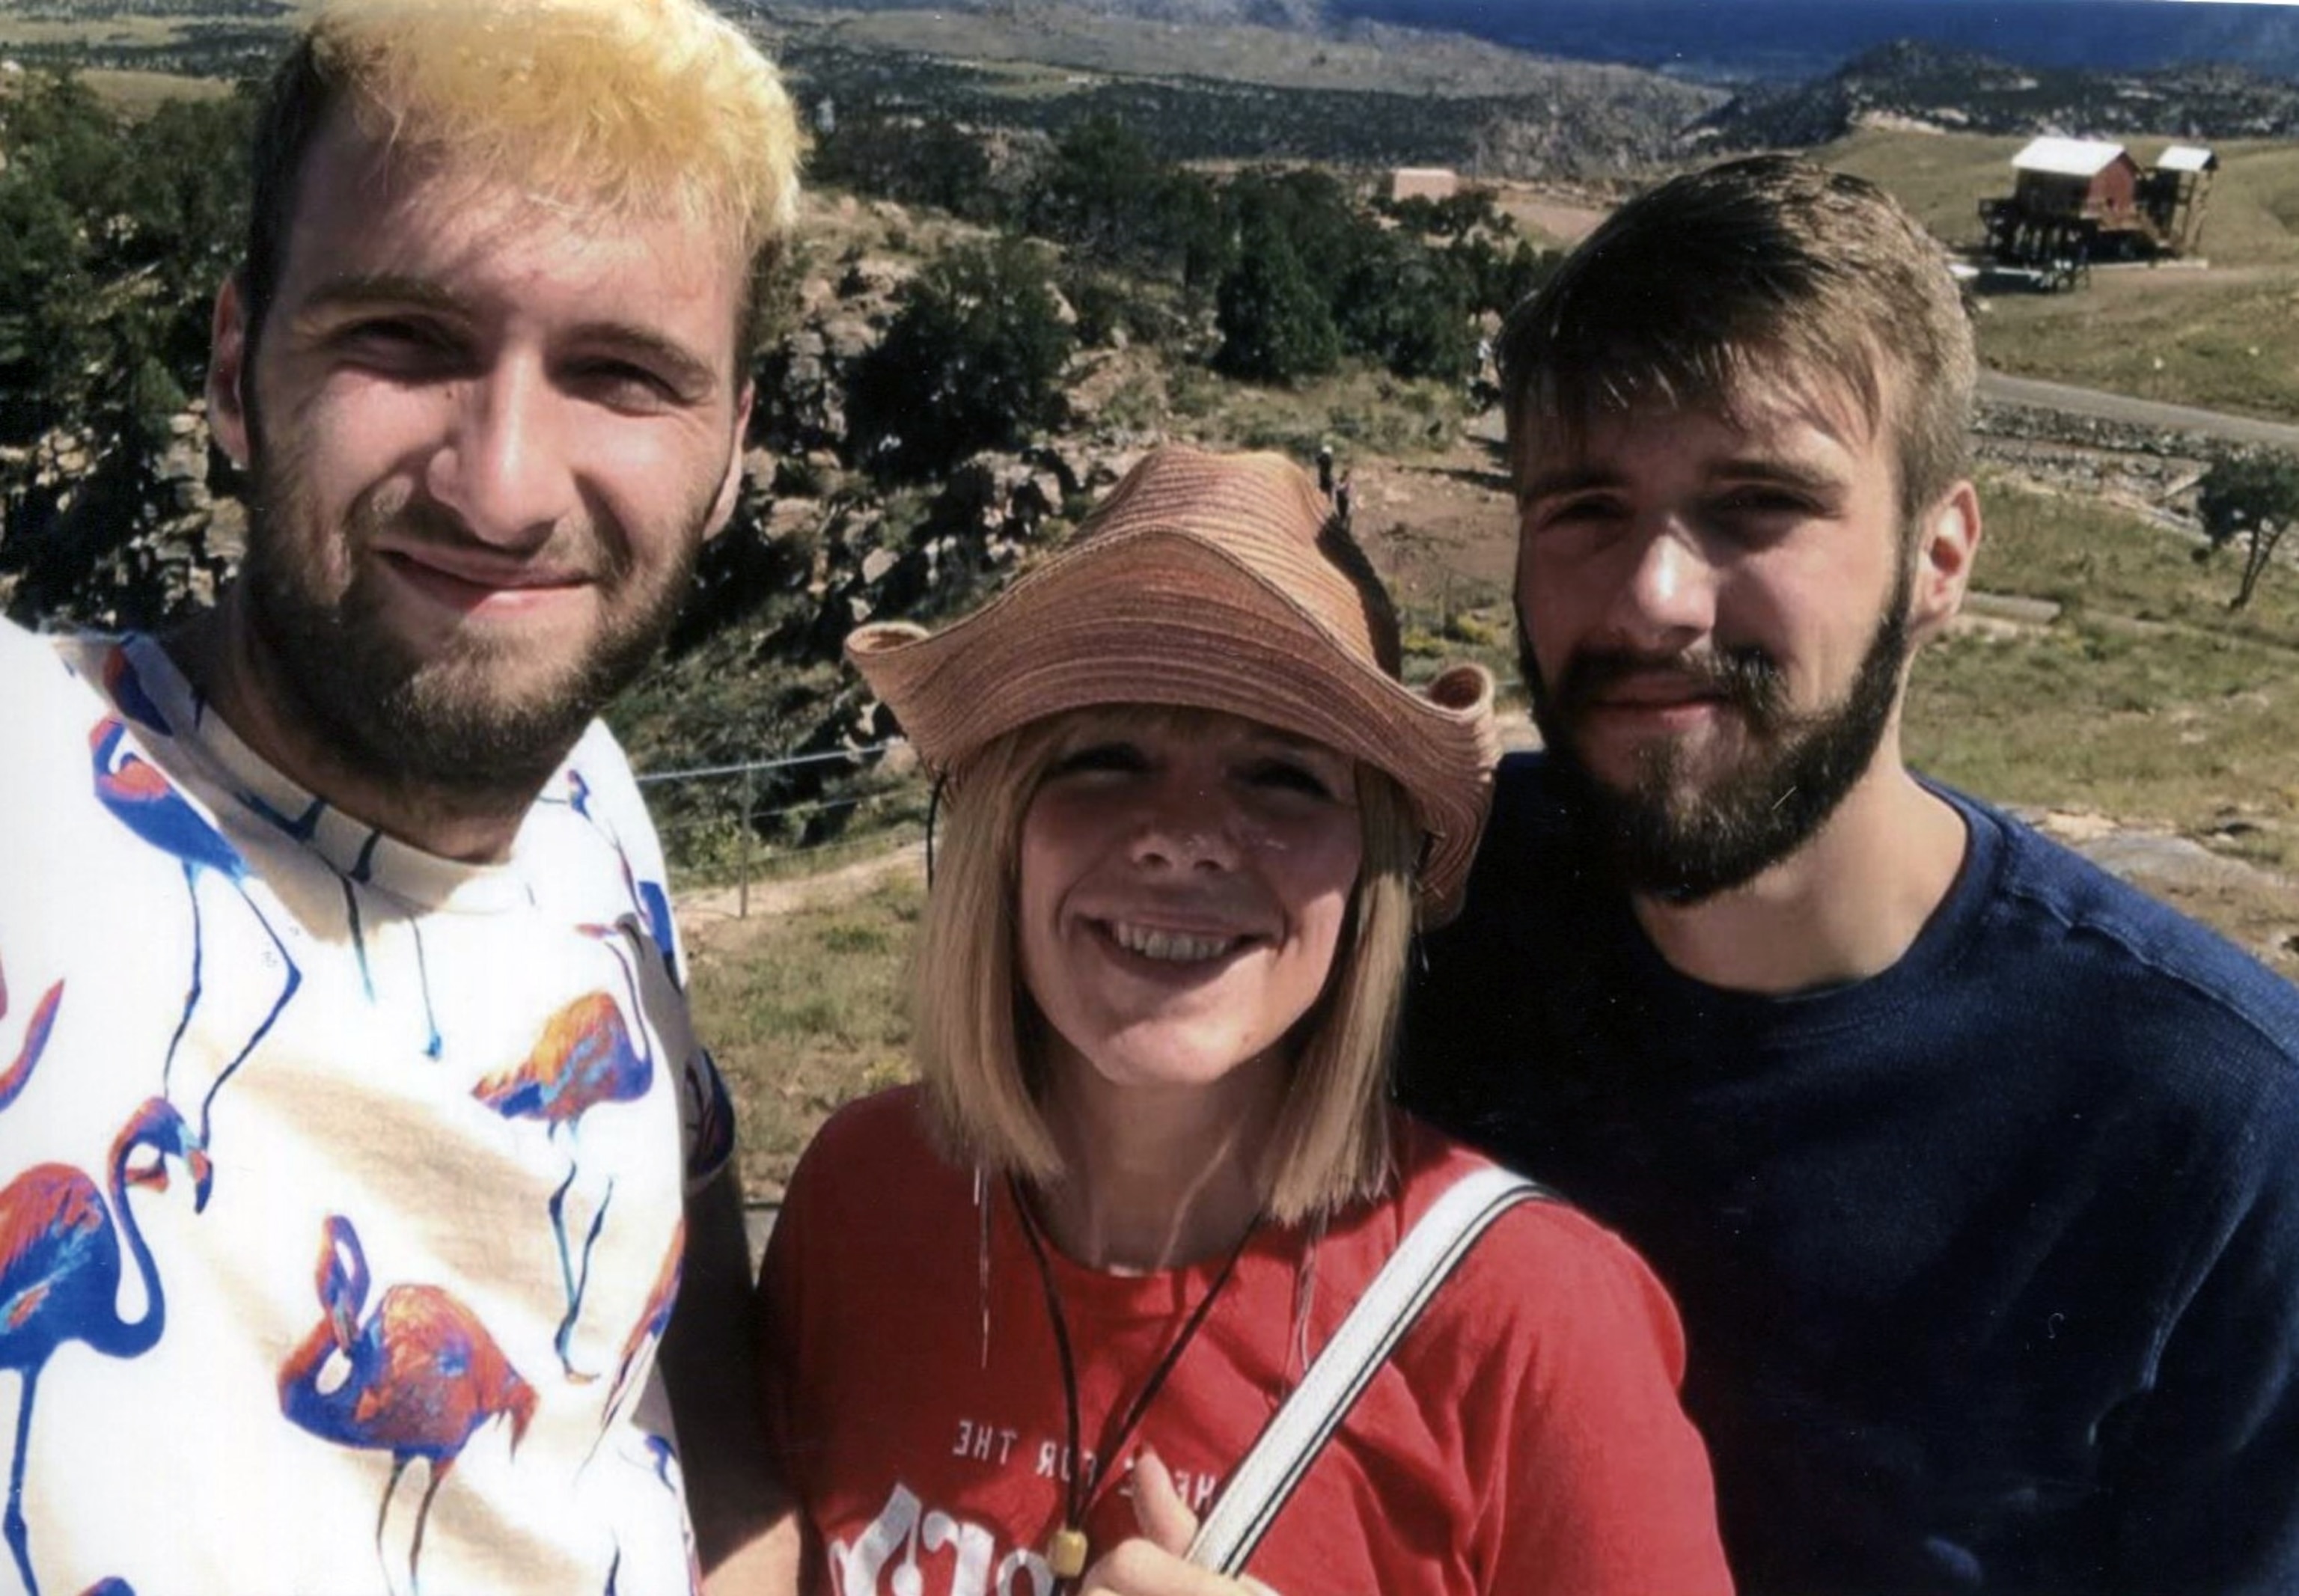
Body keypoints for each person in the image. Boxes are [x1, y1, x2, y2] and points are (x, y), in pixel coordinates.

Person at [1396, 153, 2299, 1595]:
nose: (1652, 596)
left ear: (1938, 557)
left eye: (1758, 503)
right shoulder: (1412, 914)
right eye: (1583, 508)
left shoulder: (2213, 1133)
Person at [0, 1, 801, 1590]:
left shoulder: (596, 808)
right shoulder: (34, 785)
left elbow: (691, 1327)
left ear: (728, 454)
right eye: (404, 339)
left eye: (622, 374)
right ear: (235, 370)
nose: (499, 485)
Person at [757, 446, 1731, 1596]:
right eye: (1105, 757)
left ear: (1369, 875)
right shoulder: (865, 1196)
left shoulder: (1531, 1321)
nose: (1183, 834)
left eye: (1282, 777)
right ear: (1001, 837)